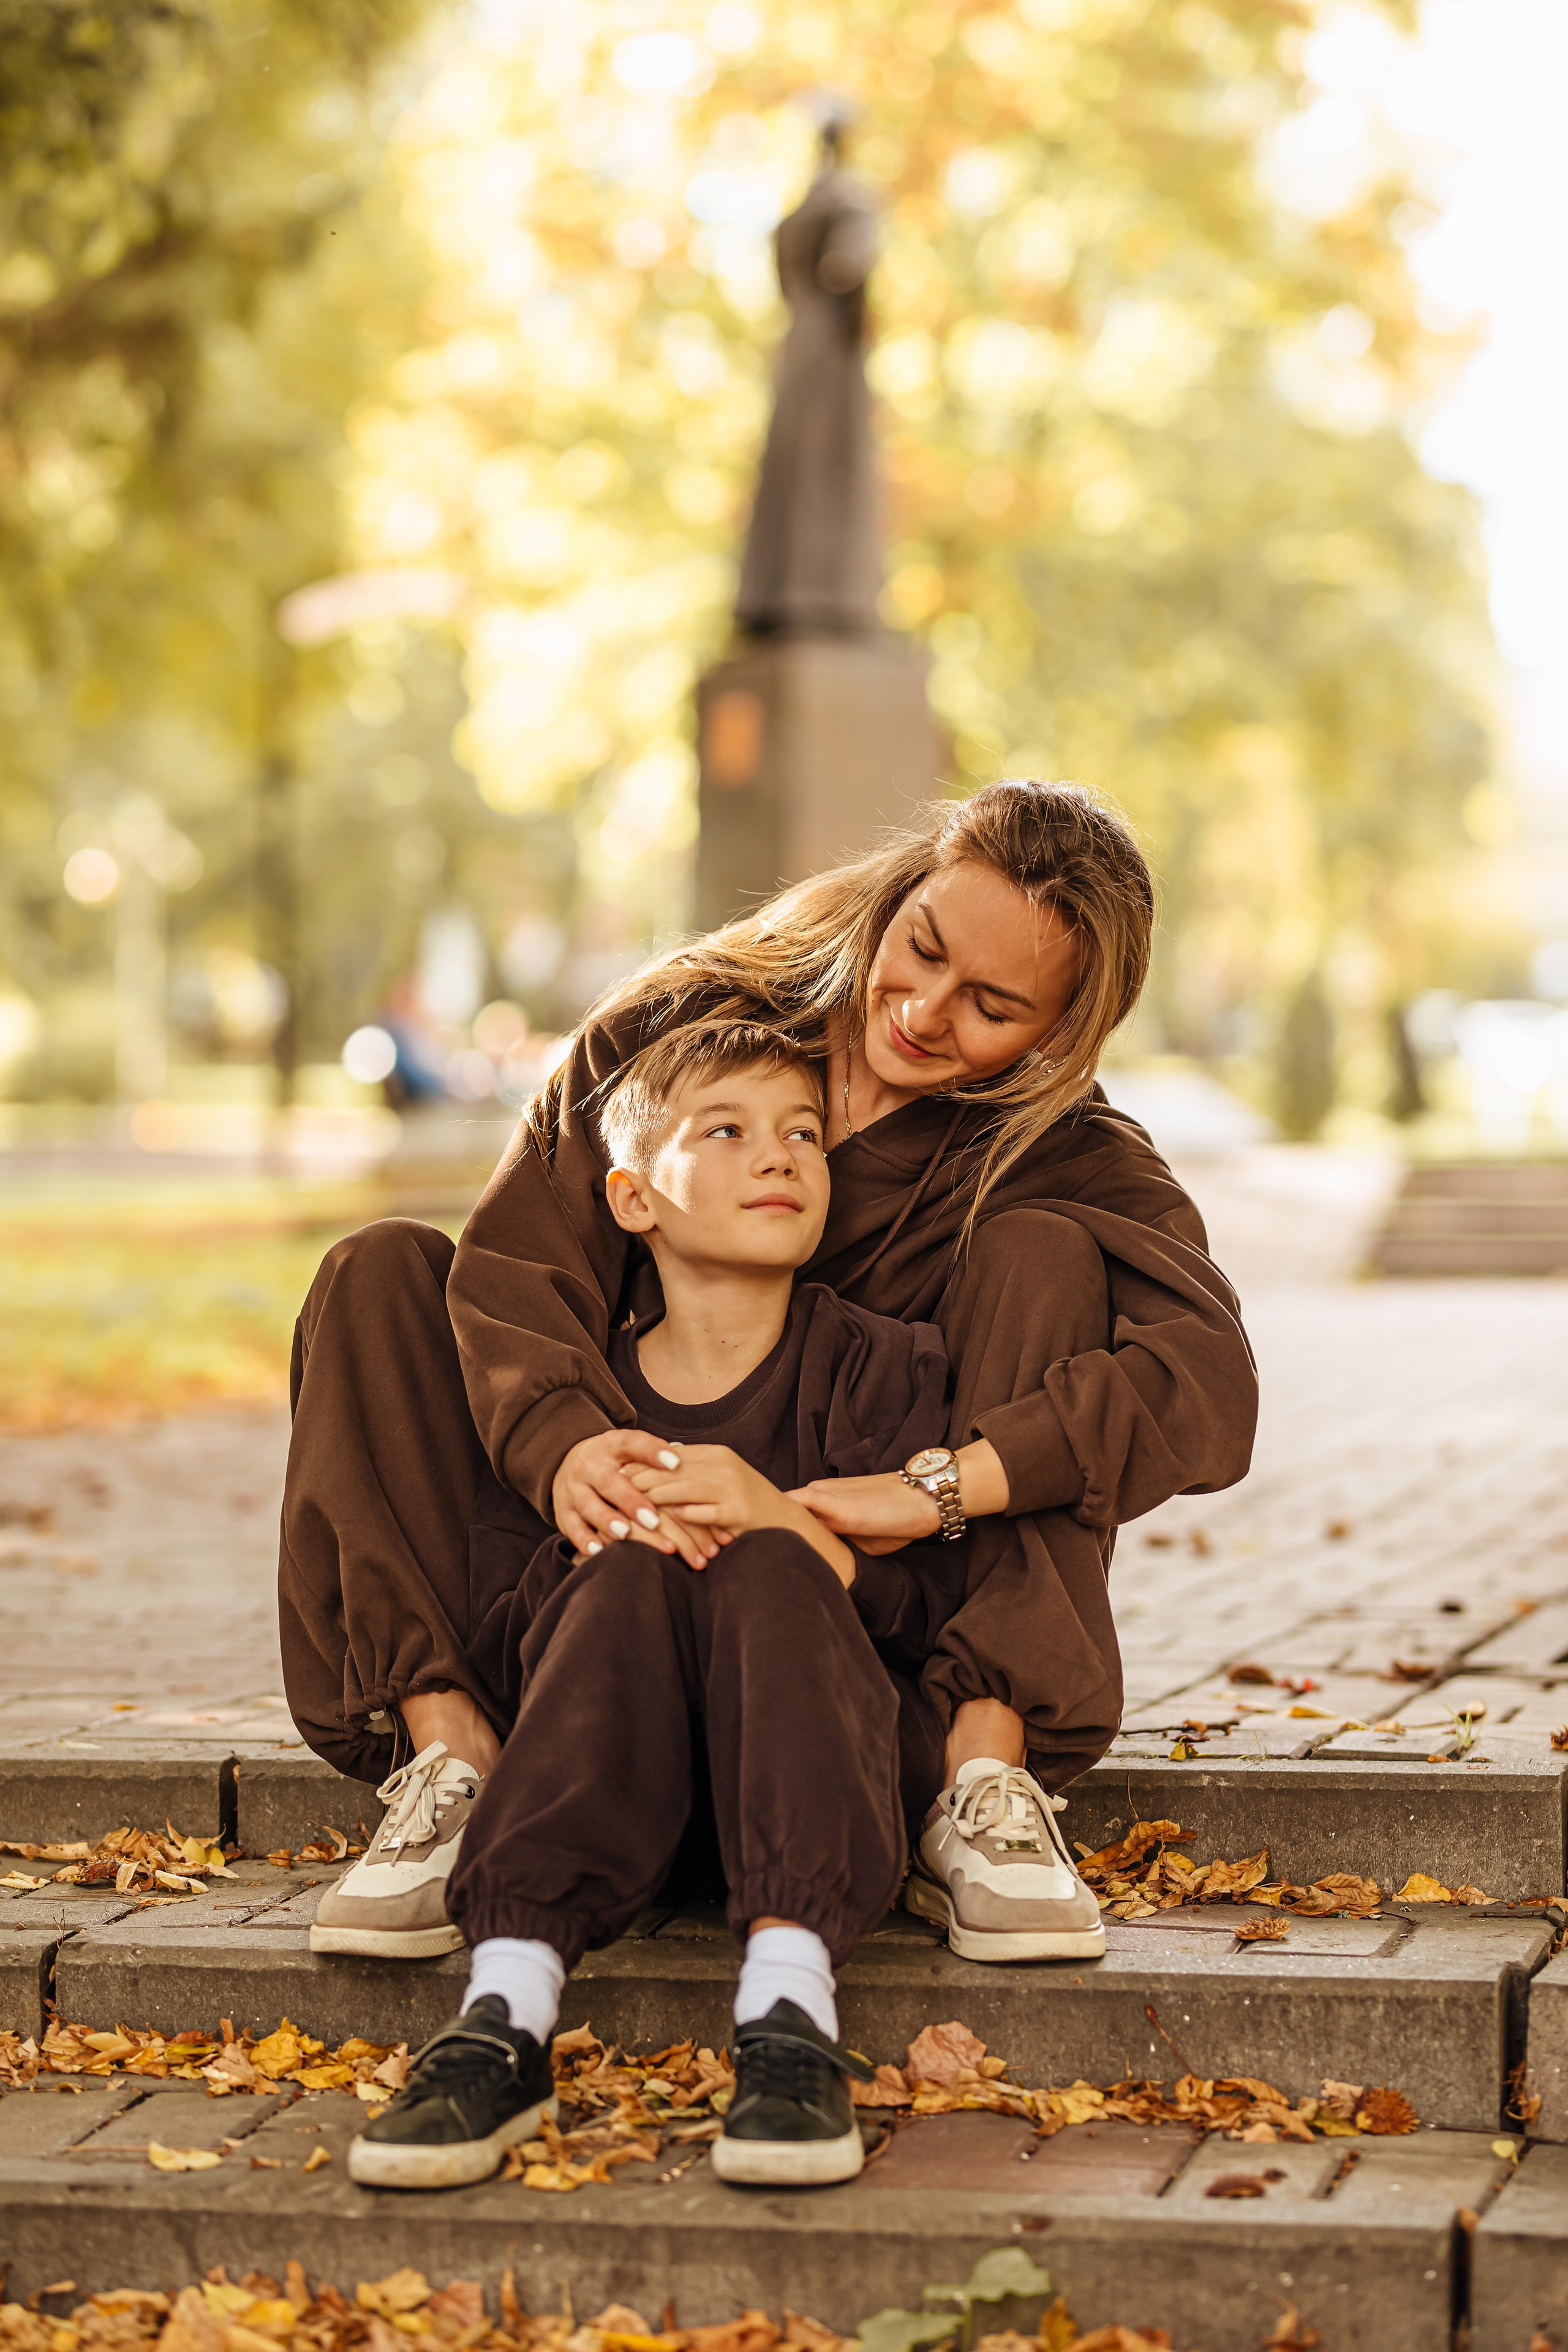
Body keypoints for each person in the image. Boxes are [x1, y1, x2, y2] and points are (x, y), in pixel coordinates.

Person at [281, 780, 1257, 1972]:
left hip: (844, 1643)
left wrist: (942, 1486)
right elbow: (515, 1266)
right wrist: (563, 1442)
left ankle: (978, 1783)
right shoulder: (678, 1028)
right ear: (898, 894)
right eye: (923, 949)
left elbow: (1205, 1388)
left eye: (992, 1005)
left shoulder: (1065, 1152)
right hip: (587, 1602)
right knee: (379, 1273)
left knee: (1046, 1256)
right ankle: (454, 1765)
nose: (923, 1010)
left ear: (1055, 1033)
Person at [349, 1020, 1094, 2191]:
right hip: (599, 1769)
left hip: (813, 1778)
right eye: (729, 1131)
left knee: (763, 1561)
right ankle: (505, 2014)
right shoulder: (580, 1390)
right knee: (631, 1568)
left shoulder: (887, 1366)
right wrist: (624, 1546)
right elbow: (526, 1615)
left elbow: (940, 1603)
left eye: (804, 1132)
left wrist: (792, 1530)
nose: (781, 1155)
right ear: (632, 1198)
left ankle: (789, 2021)